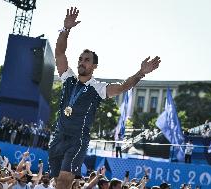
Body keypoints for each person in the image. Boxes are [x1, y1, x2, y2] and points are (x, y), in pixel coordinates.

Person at [48, 7, 161, 189]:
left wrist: (141, 72)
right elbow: (60, 53)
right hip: (58, 136)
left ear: (94, 66)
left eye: (86, 60)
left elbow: (123, 87)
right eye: (80, 59)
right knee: (57, 182)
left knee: (64, 180)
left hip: (77, 139)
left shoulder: (98, 88)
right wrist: (65, 29)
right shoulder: (67, 78)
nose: (81, 62)